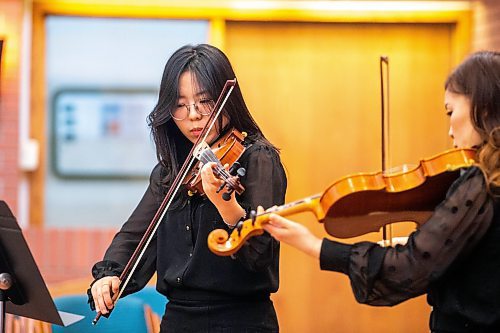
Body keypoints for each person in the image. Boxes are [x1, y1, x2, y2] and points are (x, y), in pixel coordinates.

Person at [262, 51, 500, 332]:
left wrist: (313, 245)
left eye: (451, 111)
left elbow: (407, 269)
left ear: (483, 109)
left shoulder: (481, 183)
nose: (449, 131)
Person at [88, 44, 287, 332]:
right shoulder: (171, 172)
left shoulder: (258, 159)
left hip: (241, 321)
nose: (193, 115)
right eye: (180, 105)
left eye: (204, 101)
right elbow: (136, 235)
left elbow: (260, 255)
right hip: (178, 321)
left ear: (226, 100)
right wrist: (110, 274)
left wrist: (227, 206)